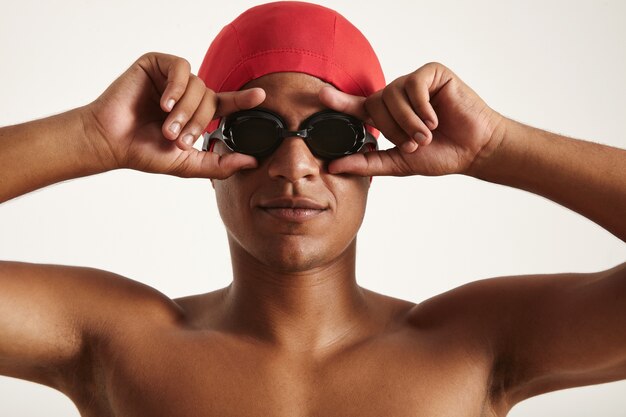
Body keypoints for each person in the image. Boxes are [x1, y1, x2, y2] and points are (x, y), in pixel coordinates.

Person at [1, 1, 625, 416]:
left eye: (330, 135)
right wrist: (90, 136)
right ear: (202, 150)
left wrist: (497, 146)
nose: (294, 165)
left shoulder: (472, 346)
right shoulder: (120, 340)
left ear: (385, 153)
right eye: (255, 132)